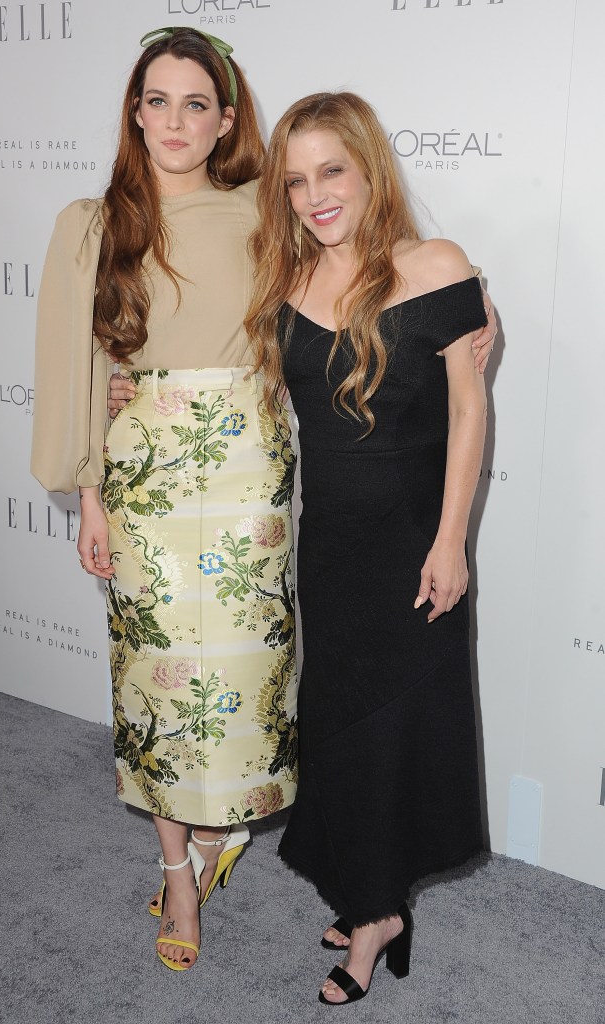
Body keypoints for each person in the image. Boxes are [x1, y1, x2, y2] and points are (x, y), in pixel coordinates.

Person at [31, 27, 299, 972]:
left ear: (225, 118)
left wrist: (464, 318)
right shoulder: (92, 220)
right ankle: (178, 871)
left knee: (240, 674)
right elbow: (81, 363)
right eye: (157, 100)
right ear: (134, 112)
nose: (175, 120)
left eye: (196, 103)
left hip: (249, 471)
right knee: (154, 677)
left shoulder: (269, 207)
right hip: (144, 473)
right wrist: (92, 497)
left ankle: (226, 829)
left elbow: (353, 284)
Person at [242, 91, 490, 1005]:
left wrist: (452, 539)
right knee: (344, 725)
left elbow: (469, 409)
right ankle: (370, 891)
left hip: (414, 547)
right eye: (296, 180)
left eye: (330, 172)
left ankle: (378, 919)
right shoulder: (286, 282)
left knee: (400, 725)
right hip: (332, 548)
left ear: (368, 168)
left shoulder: (434, 265)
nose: (314, 196)